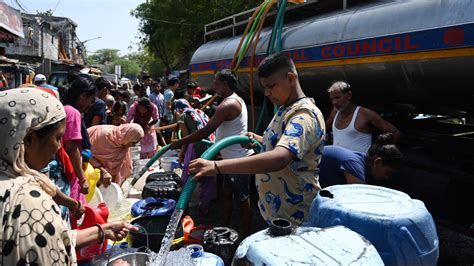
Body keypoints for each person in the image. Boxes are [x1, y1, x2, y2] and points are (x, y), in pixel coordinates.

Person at [0, 88, 137, 265]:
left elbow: (52, 239)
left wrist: (101, 231)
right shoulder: (27, 202)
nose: (59, 148)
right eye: (57, 138)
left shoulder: (16, 180)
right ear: (29, 139)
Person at [189, 54, 326, 226]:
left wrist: (216, 166)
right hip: (279, 213)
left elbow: (280, 157)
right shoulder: (286, 108)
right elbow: (283, 144)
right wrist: (258, 138)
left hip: (295, 217)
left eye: (271, 86)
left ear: (290, 78)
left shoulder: (303, 115)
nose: (267, 93)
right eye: (264, 87)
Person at [171, 69, 254, 235]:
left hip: (238, 160)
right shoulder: (234, 99)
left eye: (216, 83)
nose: (214, 86)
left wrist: (180, 142)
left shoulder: (228, 104)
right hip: (228, 158)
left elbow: (204, 131)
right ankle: (224, 227)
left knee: (242, 198)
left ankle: (246, 233)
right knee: (226, 193)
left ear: (225, 84)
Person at [325, 81, 401, 153]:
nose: (334, 102)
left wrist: (379, 153)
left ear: (349, 95)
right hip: (337, 164)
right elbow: (322, 129)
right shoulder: (335, 112)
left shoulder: (365, 114)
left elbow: (395, 133)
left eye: (337, 97)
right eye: (332, 99)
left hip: (358, 163)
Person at [174, 99, 215, 213]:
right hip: (210, 147)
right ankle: (205, 206)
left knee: (189, 172)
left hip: (195, 145)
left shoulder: (182, 116)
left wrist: (182, 154)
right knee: (207, 173)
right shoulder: (199, 112)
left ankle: (183, 205)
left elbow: (187, 139)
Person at [318, 133, 403, 188]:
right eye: (387, 172)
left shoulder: (361, 159)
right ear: (378, 162)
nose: (386, 177)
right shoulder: (355, 165)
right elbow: (357, 200)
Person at [62, 78, 97, 203]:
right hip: (68, 173)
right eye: (91, 100)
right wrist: (82, 179)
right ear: (82, 96)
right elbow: (72, 148)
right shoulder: (73, 112)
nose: (91, 105)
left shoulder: (64, 108)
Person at [161, 75, 179, 143]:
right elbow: (168, 106)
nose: (178, 85)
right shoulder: (170, 93)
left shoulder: (166, 91)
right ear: (174, 84)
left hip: (167, 115)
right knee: (170, 132)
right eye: (177, 84)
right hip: (169, 116)